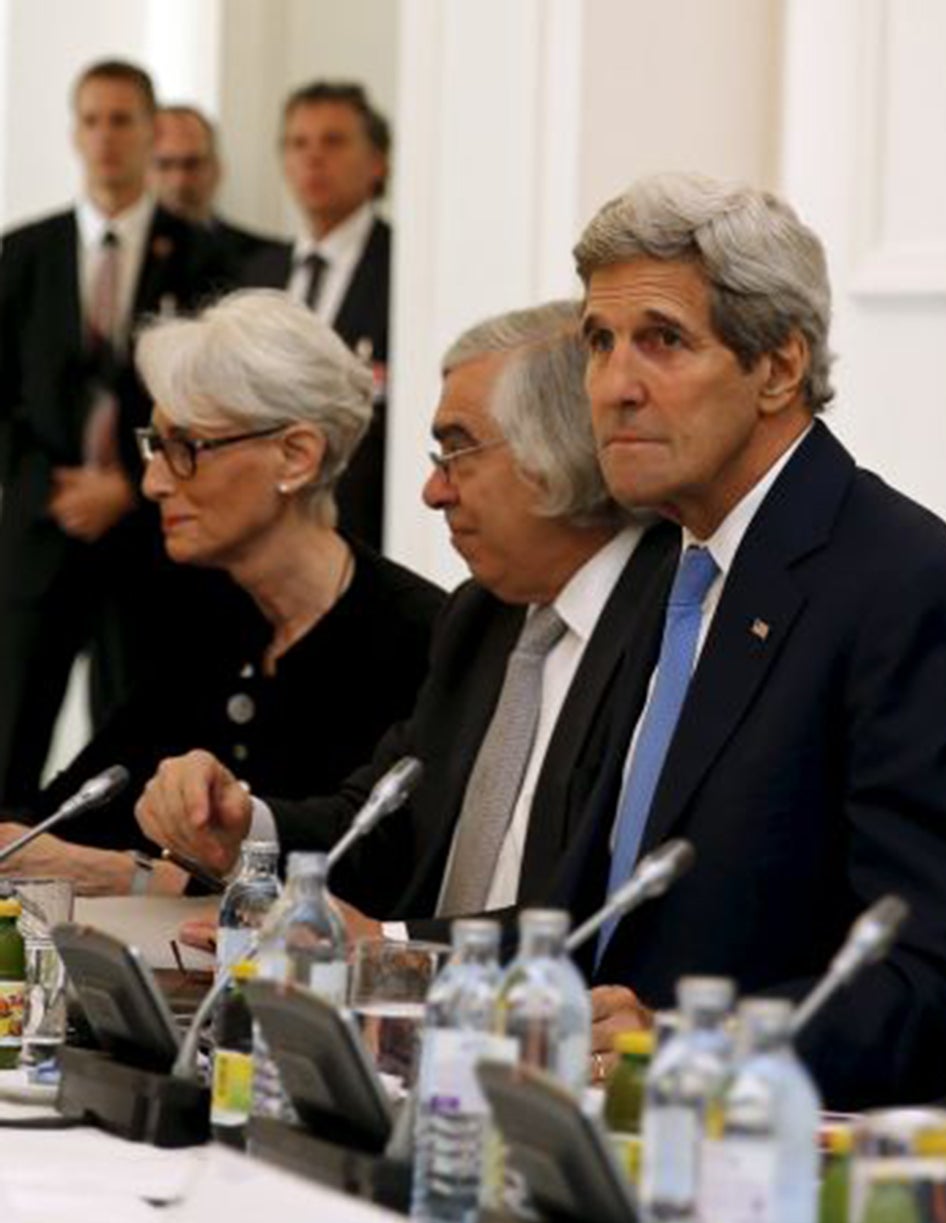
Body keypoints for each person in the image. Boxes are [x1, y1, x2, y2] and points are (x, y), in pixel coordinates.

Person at [561, 171, 946, 1107]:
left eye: (662, 340)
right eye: (599, 342)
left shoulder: (910, 590)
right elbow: (596, 917)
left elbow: (935, 986)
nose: (615, 386)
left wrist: (690, 1047)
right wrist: (407, 959)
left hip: (777, 1148)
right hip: (590, 1112)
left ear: (778, 367)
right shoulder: (668, 567)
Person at [136, 301, 674, 925]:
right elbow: (384, 826)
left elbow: (601, 909)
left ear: (560, 450)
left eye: (456, 452)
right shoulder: (480, 618)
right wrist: (241, 825)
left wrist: (395, 950)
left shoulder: (667, 627)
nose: (433, 491)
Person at [0, 290, 443, 891]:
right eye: (154, 446)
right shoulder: (200, 614)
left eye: (186, 449)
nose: (154, 482)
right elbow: (71, 815)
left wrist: (132, 878)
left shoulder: (421, 638)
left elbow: (363, 883)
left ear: (296, 457)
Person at [0, 59, 235, 803]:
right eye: (93, 120)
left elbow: (209, 399)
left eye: (123, 120)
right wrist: (53, 486)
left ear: (149, 131)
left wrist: (127, 487)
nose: (106, 137)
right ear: (75, 132)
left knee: (138, 733)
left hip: (149, 540)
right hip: (41, 531)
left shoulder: (203, 257)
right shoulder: (23, 253)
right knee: (12, 733)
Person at [242, 81, 391, 548]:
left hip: (365, 529)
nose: (313, 157)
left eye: (334, 141)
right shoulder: (255, 273)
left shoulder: (406, 269)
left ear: (377, 162)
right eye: (298, 143)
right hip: (264, 527)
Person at [153, 104, 282, 271]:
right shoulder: (123, 258)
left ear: (218, 169)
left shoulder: (264, 260)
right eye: (164, 164)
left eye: (192, 164)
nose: (179, 180)